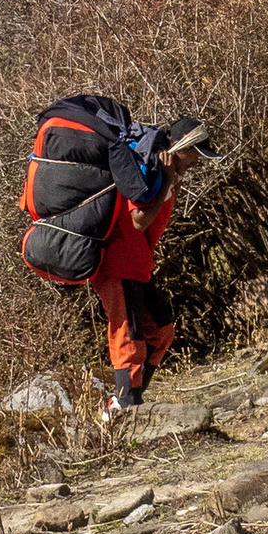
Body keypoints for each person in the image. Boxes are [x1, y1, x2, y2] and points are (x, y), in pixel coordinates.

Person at [90, 114, 207, 418]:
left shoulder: (166, 175)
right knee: (128, 338)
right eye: (194, 154)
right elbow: (138, 220)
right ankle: (124, 404)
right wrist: (168, 178)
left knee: (163, 331)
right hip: (117, 264)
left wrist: (172, 182)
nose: (197, 162)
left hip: (137, 264)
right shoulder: (146, 168)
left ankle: (129, 401)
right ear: (179, 147)